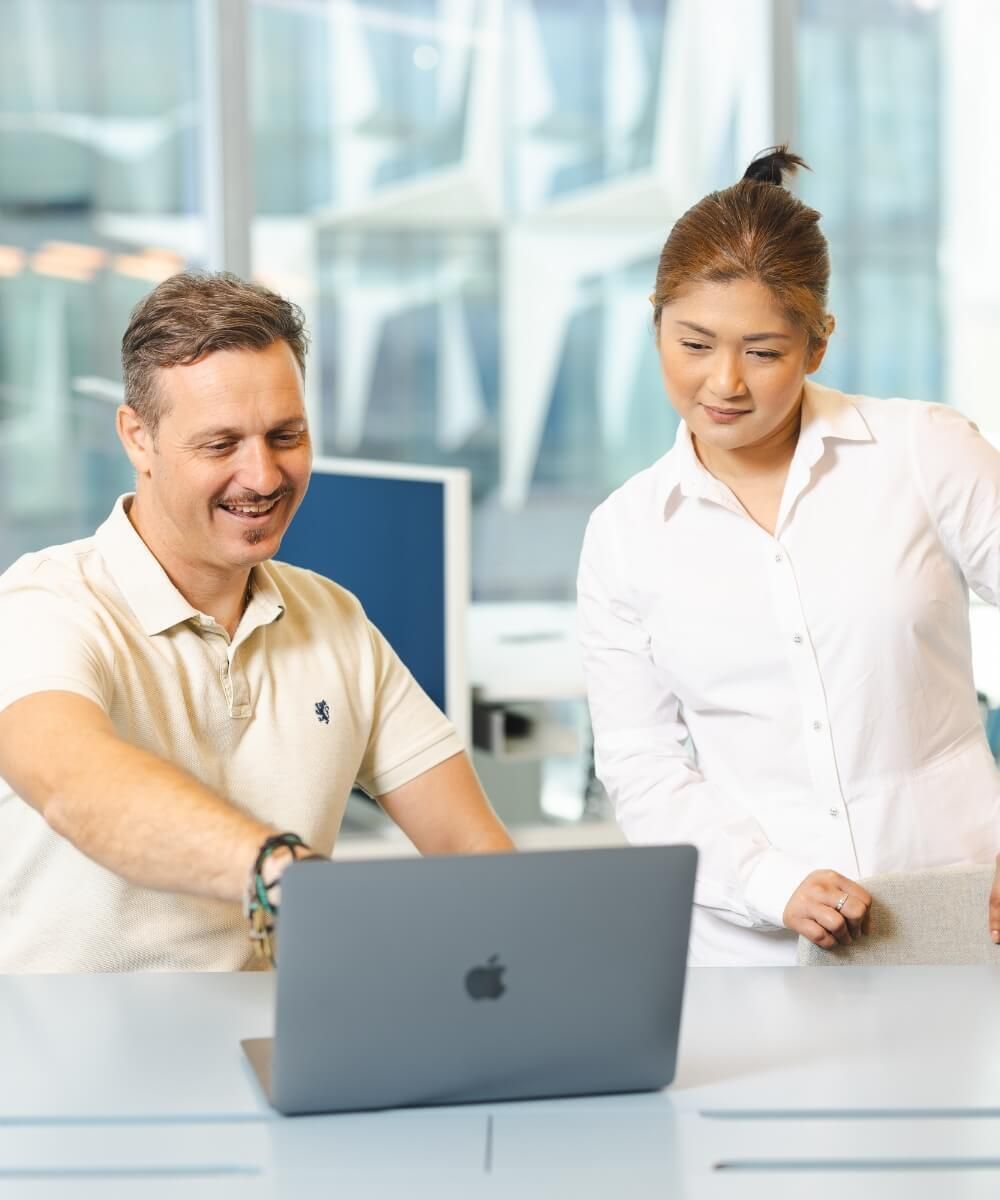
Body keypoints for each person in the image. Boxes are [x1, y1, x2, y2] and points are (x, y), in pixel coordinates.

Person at [0, 272, 514, 973]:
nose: (263, 476)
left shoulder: (333, 619)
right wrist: (276, 869)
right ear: (138, 438)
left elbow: (475, 856)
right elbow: (76, 784)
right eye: (220, 445)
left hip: (274, 1050)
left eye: (286, 435)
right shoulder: (43, 604)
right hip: (71, 1061)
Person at [577, 147, 1000, 966]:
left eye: (763, 351)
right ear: (654, 321)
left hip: (961, 920)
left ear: (817, 343)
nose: (724, 383)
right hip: (754, 952)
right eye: (694, 343)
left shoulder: (925, 452)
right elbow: (641, 767)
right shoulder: (625, 533)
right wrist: (772, 881)